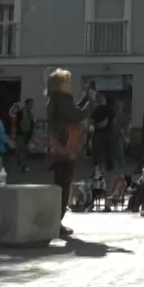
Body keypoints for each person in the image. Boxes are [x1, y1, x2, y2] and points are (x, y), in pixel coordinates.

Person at [46, 69, 89, 238]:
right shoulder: (62, 99)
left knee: (60, 182)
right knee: (63, 185)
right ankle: (57, 222)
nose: (70, 85)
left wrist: (84, 100)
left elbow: (71, 111)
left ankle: (56, 221)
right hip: (65, 145)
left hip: (58, 145)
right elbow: (75, 114)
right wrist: (91, 105)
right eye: (67, 81)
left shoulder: (55, 99)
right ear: (60, 84)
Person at [13, 99, 36, 172]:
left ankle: (23, 165)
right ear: (27, 104)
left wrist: (31, 132)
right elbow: (17, 123)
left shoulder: (30, 113)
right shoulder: (21, 112)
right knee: (21, 150)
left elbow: (31, 123)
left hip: (27, 134)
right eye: (31, 103)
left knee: (24, 150)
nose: (32, 105)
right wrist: (20, 130)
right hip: (21, 134)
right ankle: (21, 165)